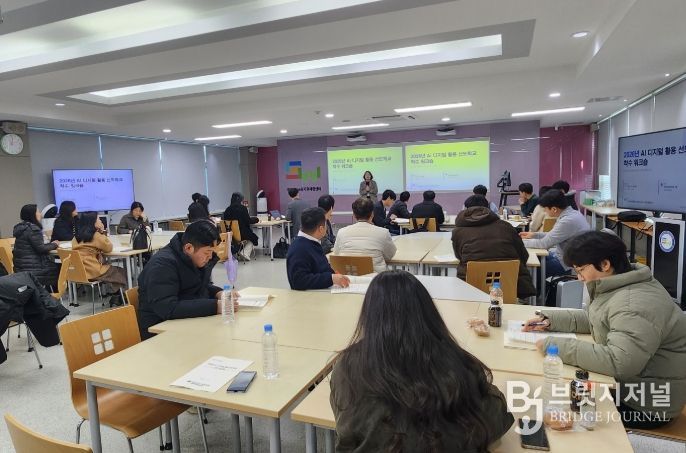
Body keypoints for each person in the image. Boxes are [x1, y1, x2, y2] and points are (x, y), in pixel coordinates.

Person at [331, 270, 514, 452]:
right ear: (427, 313)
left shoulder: (346, 367)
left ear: (369, 316)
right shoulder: (452, 362)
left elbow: (346, 427)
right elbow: (496, 416)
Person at [523, 231, 686, 429]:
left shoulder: (633, 303)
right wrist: (550, 321)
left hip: (646, 406)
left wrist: (555, 346)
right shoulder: (624, 284)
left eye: (581, 270)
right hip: (629, 387)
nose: (579, 277)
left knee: (553, 409)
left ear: (605, 264)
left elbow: (619, 362)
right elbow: (599, 319)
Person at [137, 221, 236, 339]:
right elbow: (168, 308)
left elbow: (197, 285)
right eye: (207, 252)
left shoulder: (191, 258)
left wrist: (218, 293)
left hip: (185, 324)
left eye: (212, 252)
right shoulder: (162, 266)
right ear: (189, 248)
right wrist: (215, 306)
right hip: (160, 332)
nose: (210, 257)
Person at [452, 195, 536, 300]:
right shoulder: (506, 226)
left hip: (471, 288)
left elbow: (458, 256)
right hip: (508, 286)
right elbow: (523, 255)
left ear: (466, 209)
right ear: (488, 208)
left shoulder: (458, 231)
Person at [520, 189, 590, 277]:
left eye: (545, 209)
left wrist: (519, 242)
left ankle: (540, 286)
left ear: (554, 209)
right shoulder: (572, 214)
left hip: (567, 263)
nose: (545, 212)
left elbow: (544, 244)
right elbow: (553, 235)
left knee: (529, 270)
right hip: (564, 256)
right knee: (536, 258)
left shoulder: (567, 221)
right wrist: (534, 235)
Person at [286, 207, 350, 290]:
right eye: (326, 224)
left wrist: (334, 275)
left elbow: (321, 268)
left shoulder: (311, 242)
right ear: (321, 229)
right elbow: (299, 281)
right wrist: (331, 278)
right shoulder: (299, 249)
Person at [72, 212, 127, 305]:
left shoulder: (76, 237)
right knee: (120, 271)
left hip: (79, 271)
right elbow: (108, 247)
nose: (100, 221)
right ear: (92, 222)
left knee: (111, 270)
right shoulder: (96, 235)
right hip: (92, 270)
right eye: (98, 219)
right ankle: (120, 296)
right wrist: (102, 231)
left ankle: (117, 295)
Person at [334, 198, 397, 274]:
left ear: (354, 215)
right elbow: (390, 255)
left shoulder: (341, 232)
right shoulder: (383, 232)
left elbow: (336, 253)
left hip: (349, 277)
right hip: (375, 278)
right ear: (372, 214)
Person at [12, 204, 60, 289]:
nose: (40, 214)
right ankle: (51, 293)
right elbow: (41, 249)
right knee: (57, 267)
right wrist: (55, 244)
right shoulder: (33, 229)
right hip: (34, 268)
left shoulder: (21, 228)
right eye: (38, 212)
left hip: (21, 268)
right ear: (32, 214)